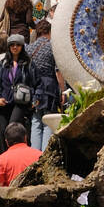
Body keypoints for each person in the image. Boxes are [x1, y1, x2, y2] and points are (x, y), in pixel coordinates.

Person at [0, 33, 36, 158]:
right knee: (3, 130)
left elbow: (37, 82)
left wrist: (35, 99)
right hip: (4, 102)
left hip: (21, 103)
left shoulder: (28, 64)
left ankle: (18, 156)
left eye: (18, 45)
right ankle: (6, 157)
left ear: (22, 47)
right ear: (9, 46)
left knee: (12, 128)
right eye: (12, 45)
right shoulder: (2, 64)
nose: (15, 47)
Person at [28, 20, 64, 151]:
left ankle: (34, 154)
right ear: (49, 32)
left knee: (36, 120)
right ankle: (44, 154)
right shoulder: (52, 46)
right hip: (49, 87)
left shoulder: (29, 48)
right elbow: (58, 71)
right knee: (48, 121)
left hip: (34, 88)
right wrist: (62, 90)